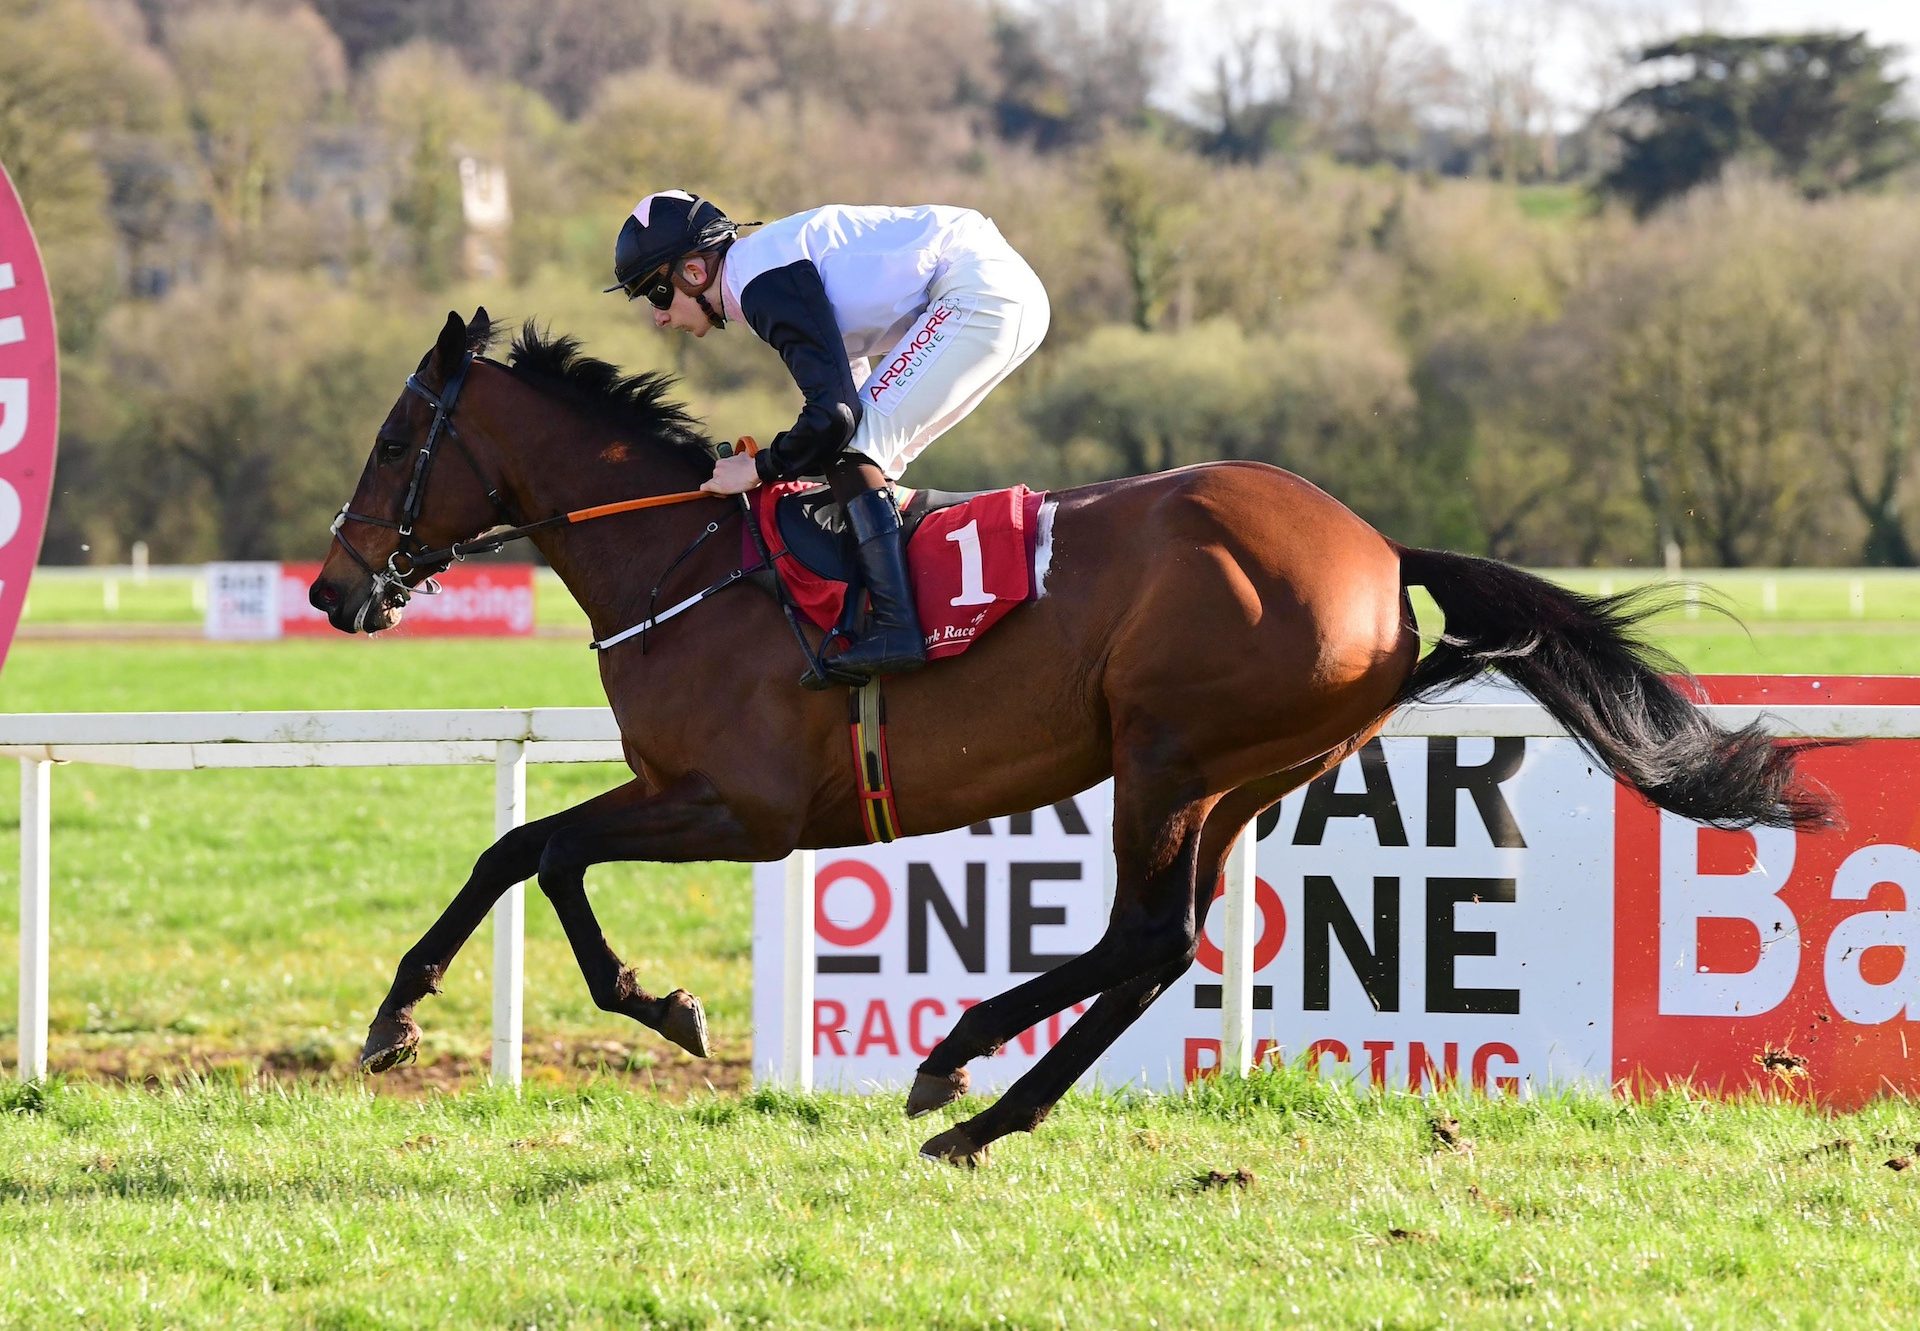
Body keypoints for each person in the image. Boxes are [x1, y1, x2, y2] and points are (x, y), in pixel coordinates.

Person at [606, 191, 1050, 687]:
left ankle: (896, 628)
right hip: (993, 289)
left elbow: (832, 416)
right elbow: (844, 400)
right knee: (860, 458)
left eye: (656, 294)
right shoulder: (765, 272)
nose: (658, 317)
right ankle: (881, 613)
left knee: (853, 451)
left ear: (693, 272)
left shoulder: (760, 282)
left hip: (980, 291)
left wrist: (759, 468)